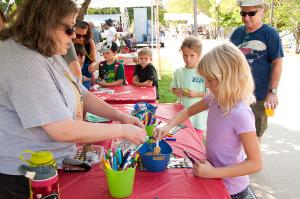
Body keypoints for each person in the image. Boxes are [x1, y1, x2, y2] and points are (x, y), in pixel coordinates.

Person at [0, 0, 147, 198]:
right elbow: (63, 129)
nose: (73, 37)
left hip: (50, 164)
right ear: (45, 22)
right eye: (69, 29)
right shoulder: (23, 61)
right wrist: (122, 130)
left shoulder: (43, 48)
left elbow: (81, 93)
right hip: (25, 176)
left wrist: (121, 116)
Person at [155, 43, 262, 199]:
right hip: (212, 175)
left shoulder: (241, 114)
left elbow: (255, 163)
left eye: (210, 80)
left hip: (232, 189)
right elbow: (188, 111)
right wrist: (169, 125)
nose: (206, 85)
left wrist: (213, 173)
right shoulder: (214, 98)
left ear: (228, 79)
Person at [230, 0, 284, 143]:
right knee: (234, 135)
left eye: (251, 13)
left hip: (258, 96)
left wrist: (272, 92)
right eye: (243, 13)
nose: (246, 17)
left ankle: (251, 165)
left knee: (253, 137)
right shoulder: (236, 33)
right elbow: (227, 62)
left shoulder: (270, 34)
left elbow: (277, 63)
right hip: (235, 95)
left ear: (261, 12)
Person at [170, 36, 207, 131]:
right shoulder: (179, 72)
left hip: (199, 116)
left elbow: (212, 95)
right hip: (182, 114)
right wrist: (176, 91)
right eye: (185, 55)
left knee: (197, 141)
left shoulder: (205, 72)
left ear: (199, 55)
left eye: (192, 55)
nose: (188, 59)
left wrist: (197, 94)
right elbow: (173, 88)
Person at [73, 20, 97, 86]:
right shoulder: (68, 42)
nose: (81, 39)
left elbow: (94, 61)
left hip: (85, 70)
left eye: (84, 36)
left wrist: (92, 65)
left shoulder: (90, 42)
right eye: (78, 35)